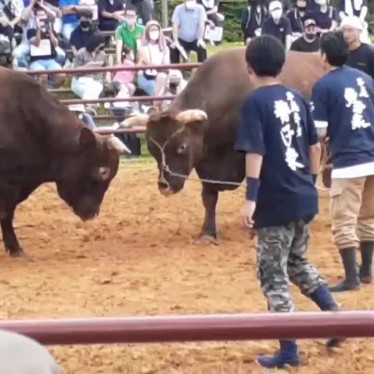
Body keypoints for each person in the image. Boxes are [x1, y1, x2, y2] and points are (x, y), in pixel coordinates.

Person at [235, 34, 341, 369]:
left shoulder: (255, 103)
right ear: (281, 64)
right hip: (303, 196)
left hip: (276, 200)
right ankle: (335, 318)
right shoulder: (296, 98)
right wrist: (309, 183)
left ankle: (289, 351)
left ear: (249, 67)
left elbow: (256, 151)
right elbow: (315, 146)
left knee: (273, 274)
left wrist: (251, 199)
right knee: (296, 261)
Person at [311, 30, 374, 292]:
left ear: (324, 56)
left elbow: (319, 131)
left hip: (349, 160)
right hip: (372, 155)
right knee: (368, 216)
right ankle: (366, 270)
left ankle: (351, 278)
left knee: (343, 220)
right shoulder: (367, 79)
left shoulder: (324, 85)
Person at [137, 20, 170, 97]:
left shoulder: (165, 48)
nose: (154, 32)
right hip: (146, 77)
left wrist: (162, 68)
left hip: (162, 75)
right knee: (156, 89)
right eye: (152, 30)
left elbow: (166, 65)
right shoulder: (142, 48)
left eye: (156, 30)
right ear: (147, 32)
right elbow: (148, 63)